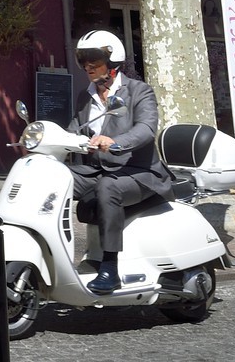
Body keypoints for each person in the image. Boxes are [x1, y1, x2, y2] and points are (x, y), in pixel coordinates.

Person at [67, 29, 173, 294]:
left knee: (108, 188)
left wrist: (116, 142)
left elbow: (147, 129)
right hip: (99, 169)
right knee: (56, 178)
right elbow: (74, 130)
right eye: (83, 60)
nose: (87, 66)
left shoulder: (139, 91)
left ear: (112, 63)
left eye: (94, 59)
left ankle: (109, 267)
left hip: (140, 172)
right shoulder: (85, 96)